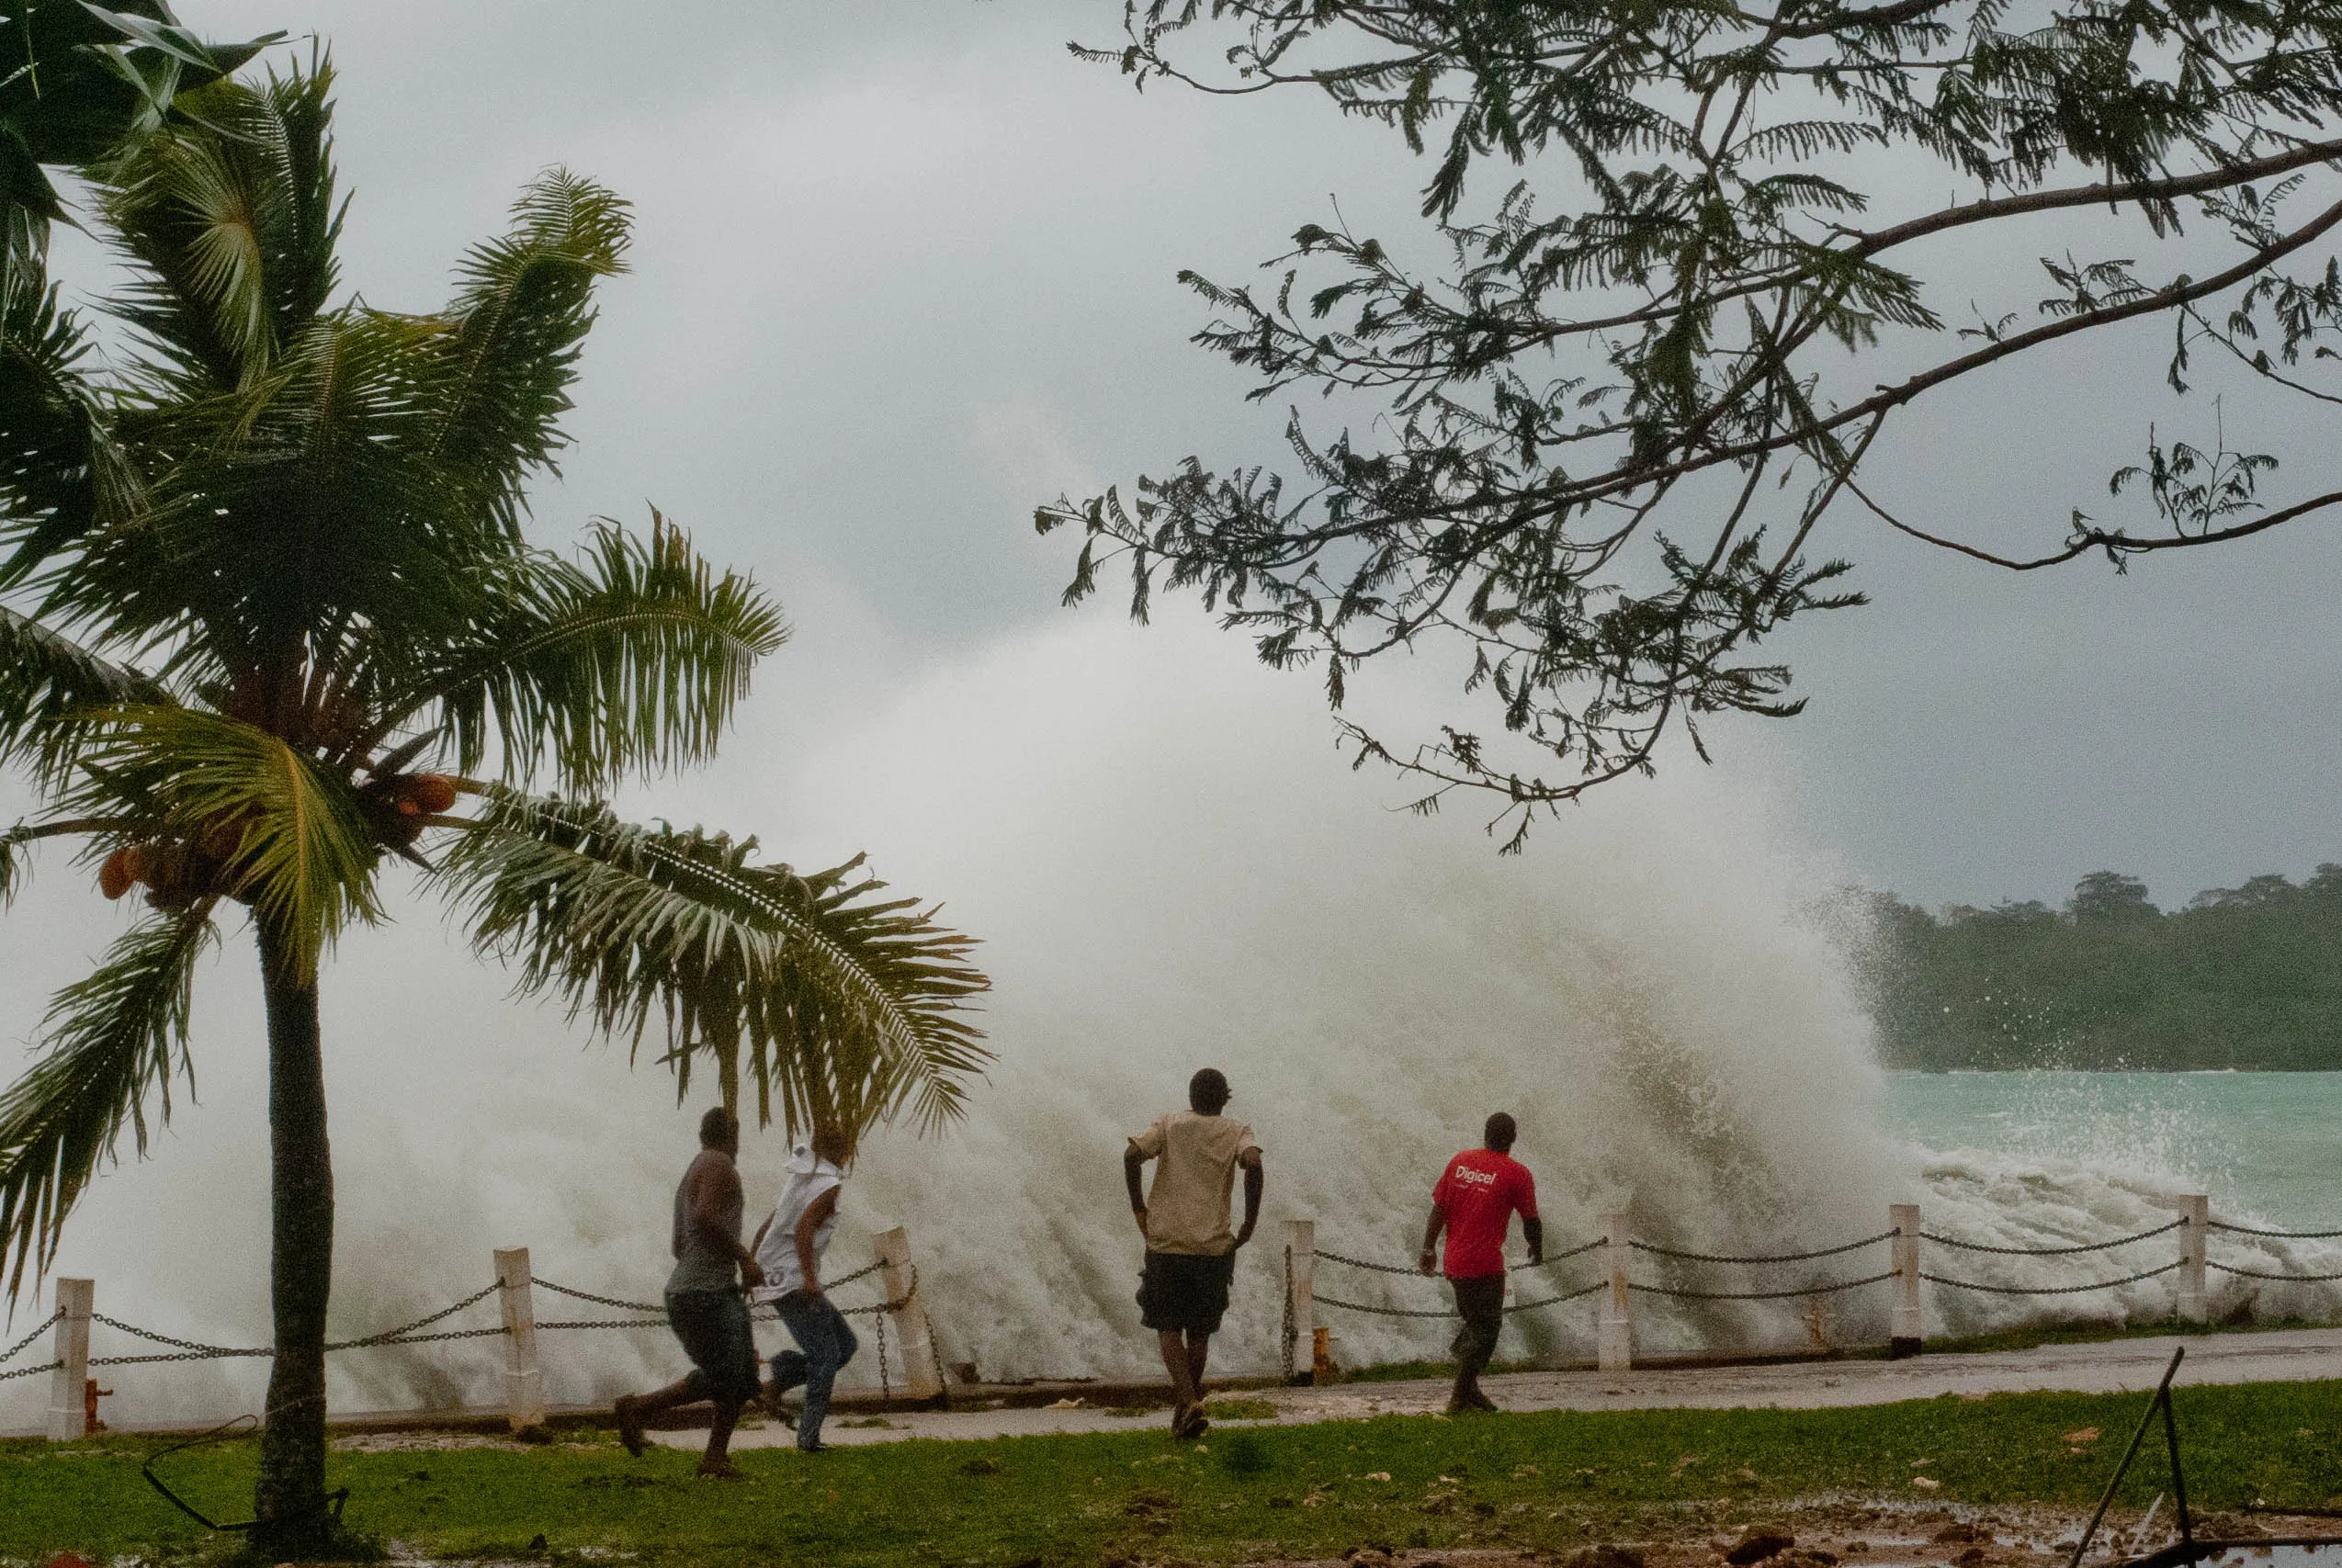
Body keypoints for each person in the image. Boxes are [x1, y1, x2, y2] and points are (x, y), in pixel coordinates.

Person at [615, 1106, 765, 1478]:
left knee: (736, 1374)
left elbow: (679, 1245)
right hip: (706, 1293)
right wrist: (744, 1258)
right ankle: (639, 1408)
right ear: (732, 1136)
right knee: (735, 1376)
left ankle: (714, 1458)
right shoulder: (719, 1164)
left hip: (689, 1289)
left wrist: (719, 1266)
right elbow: (705, 1217)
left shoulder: (691, 1172)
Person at [1125, 1067, 1264, 1439]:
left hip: (1167, 1242)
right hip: (1212, 1246)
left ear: (1190, 1096)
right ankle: (1186, 1408)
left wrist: (1140, 1209)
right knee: (1199, 1333)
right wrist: (1249, 1223)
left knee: (1167, 1327)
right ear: (1224, 1099)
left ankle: (1187, 1403)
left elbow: (1131, 1155)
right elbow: (1253, 1162)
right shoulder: (1237, 1131)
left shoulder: (1169, 1125)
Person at [1418, 1111, 1543, 1415]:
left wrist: (1428, 1248)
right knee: (1487, 1329)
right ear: (1513, 1138)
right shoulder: (1517, 1174)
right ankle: (1459, 1396)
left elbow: (1439, 1209)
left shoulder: (1460, 1162)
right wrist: (1536, 1247)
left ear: (1485, 1133)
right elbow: (1531, 1220)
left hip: (1455, 1262)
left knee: (1475, 1325)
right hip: (1485, 1264)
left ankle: (1471, 1392)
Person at [750, 1124, 858, 1452]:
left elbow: (773, 1221)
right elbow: (803, 1230)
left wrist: (754, 1262)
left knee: (845, 1345)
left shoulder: (800, 1176)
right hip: (795, 1281)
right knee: (826, 1356)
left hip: (778, 1275)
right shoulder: (829, 1185)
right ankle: (809, 1438)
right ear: (845, 1151)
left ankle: (779, 1377)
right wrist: (810, 1281)